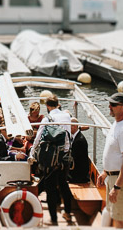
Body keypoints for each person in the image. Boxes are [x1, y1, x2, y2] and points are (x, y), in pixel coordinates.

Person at [96, 93, 123, 228]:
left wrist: (117, 187)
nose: (110, 106)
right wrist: (105, 172)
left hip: (121, 181)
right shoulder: (117, 123)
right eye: (110, 104)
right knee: (118, 216)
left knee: (121, 220)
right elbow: (115, 154)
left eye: (113, 105)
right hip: (114, 177)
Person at [30, 95, 74, 225]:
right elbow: (69, 137)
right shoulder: (67, 116)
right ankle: (67, 212)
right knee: (63, 184)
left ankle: (54, 219)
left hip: (52, 158)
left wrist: (32, 153)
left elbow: (38, 138)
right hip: (65, 156)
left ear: (48, 106)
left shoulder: (47, 118)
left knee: (50, 187)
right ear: (58, 104)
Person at [68, 118, 91, 183]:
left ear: (74, 126)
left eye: (69, 126)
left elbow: (74, 158)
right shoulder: (76, 137)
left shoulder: (79, 141)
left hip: (79, 175)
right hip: (78, 171)